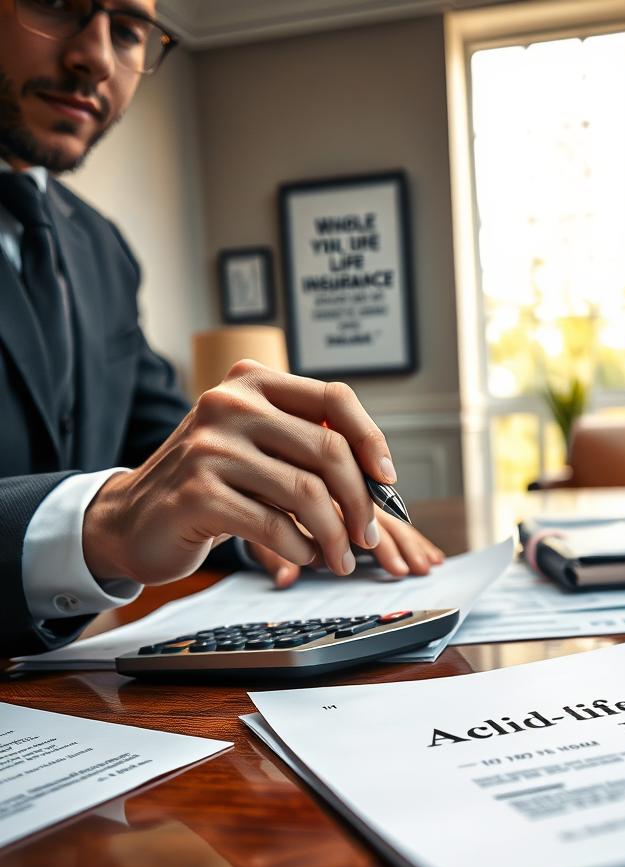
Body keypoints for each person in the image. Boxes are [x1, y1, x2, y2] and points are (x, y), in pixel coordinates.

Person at [0, 0, 443, 654]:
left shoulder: (101, 247)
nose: (95, 58)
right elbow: (131, 500)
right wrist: (104, 525)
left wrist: (265, 514)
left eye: (127, 31)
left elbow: (160, 447)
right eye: (57, 4)